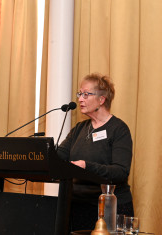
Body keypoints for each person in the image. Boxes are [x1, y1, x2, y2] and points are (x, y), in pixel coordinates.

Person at [57, 73, 134, 231]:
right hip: (77, 206)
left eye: (86, 94)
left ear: (102, 99)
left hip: (110, 209)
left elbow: (120, 171)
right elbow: (59, 156)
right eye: (79, 94)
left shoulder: (118, 129)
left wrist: (87, 166)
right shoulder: (79, 129)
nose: (80, 99)